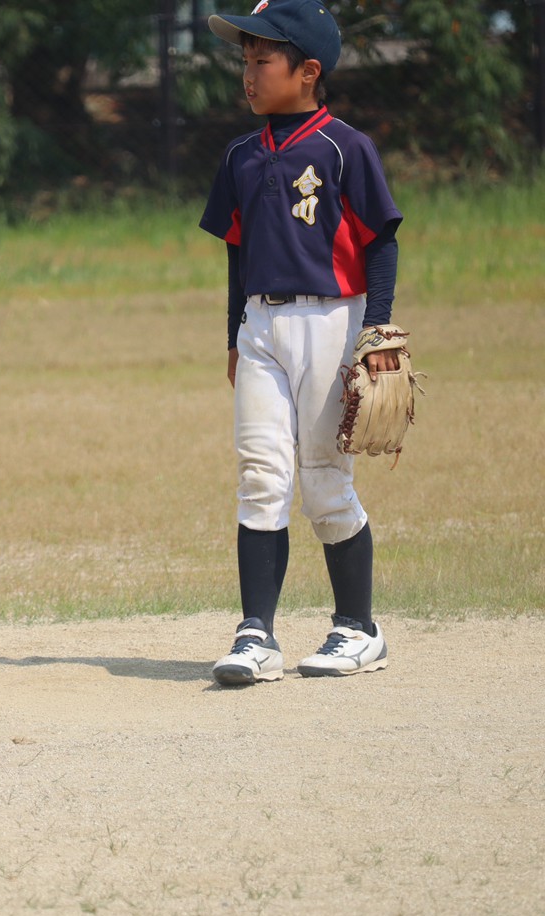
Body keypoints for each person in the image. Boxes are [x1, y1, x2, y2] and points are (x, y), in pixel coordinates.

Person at [199, 0, 405, 686]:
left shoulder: (345, 147)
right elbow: (236, 250)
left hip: (332, 323)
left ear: (308, 71)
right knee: (260, 475)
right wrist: (234, 331)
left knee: (322, 482)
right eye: (246, 59)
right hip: (261, 326)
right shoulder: (241, 156)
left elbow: (381, 243)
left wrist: (377, 328)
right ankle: (256, 634)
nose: (249, 72)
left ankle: (358, 629)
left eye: (264, 59)